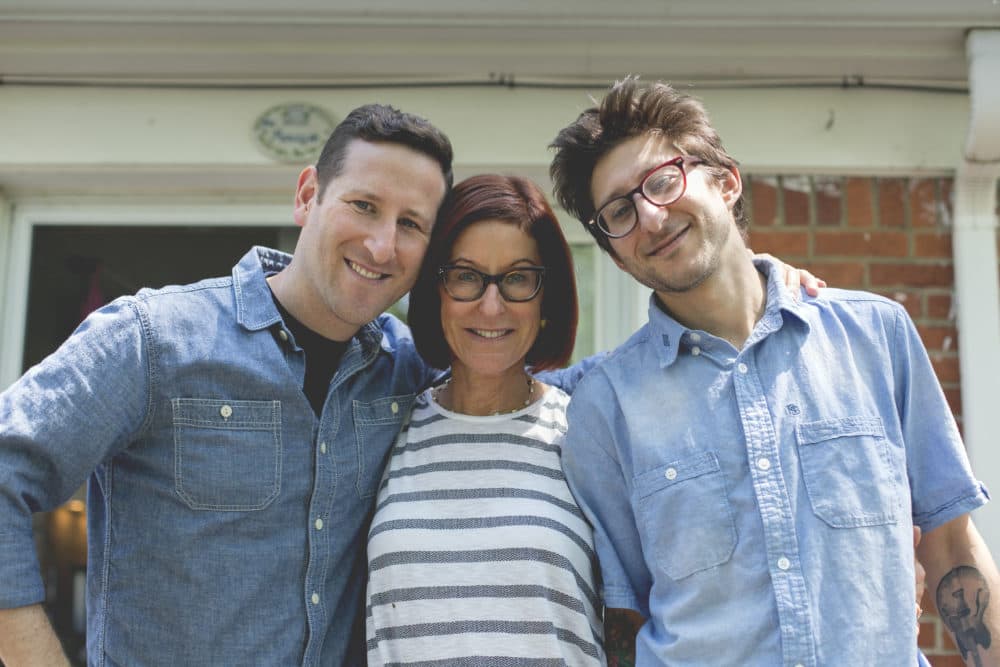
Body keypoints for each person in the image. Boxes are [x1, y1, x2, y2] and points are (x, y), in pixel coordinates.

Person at [549, 77, 1000, 666]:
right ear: (613, 251)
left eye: (663, 181)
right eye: (619, 211)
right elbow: (624, 622)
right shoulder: (603, 405)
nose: (652, 218)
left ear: (726, 181)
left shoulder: (875, 336)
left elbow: (950, 544)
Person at [0, 104, 461, 667]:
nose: (383, 245)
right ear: (307, 195)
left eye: (411, 224)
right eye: (364, 206)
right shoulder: (153, 340)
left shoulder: (412, 374)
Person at [364, 174, 604, 665]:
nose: (491, 306)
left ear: (546, 301)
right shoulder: (384, 424)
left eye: (517, 278)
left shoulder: (589, 435)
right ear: (436, 293)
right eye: (466, 276)